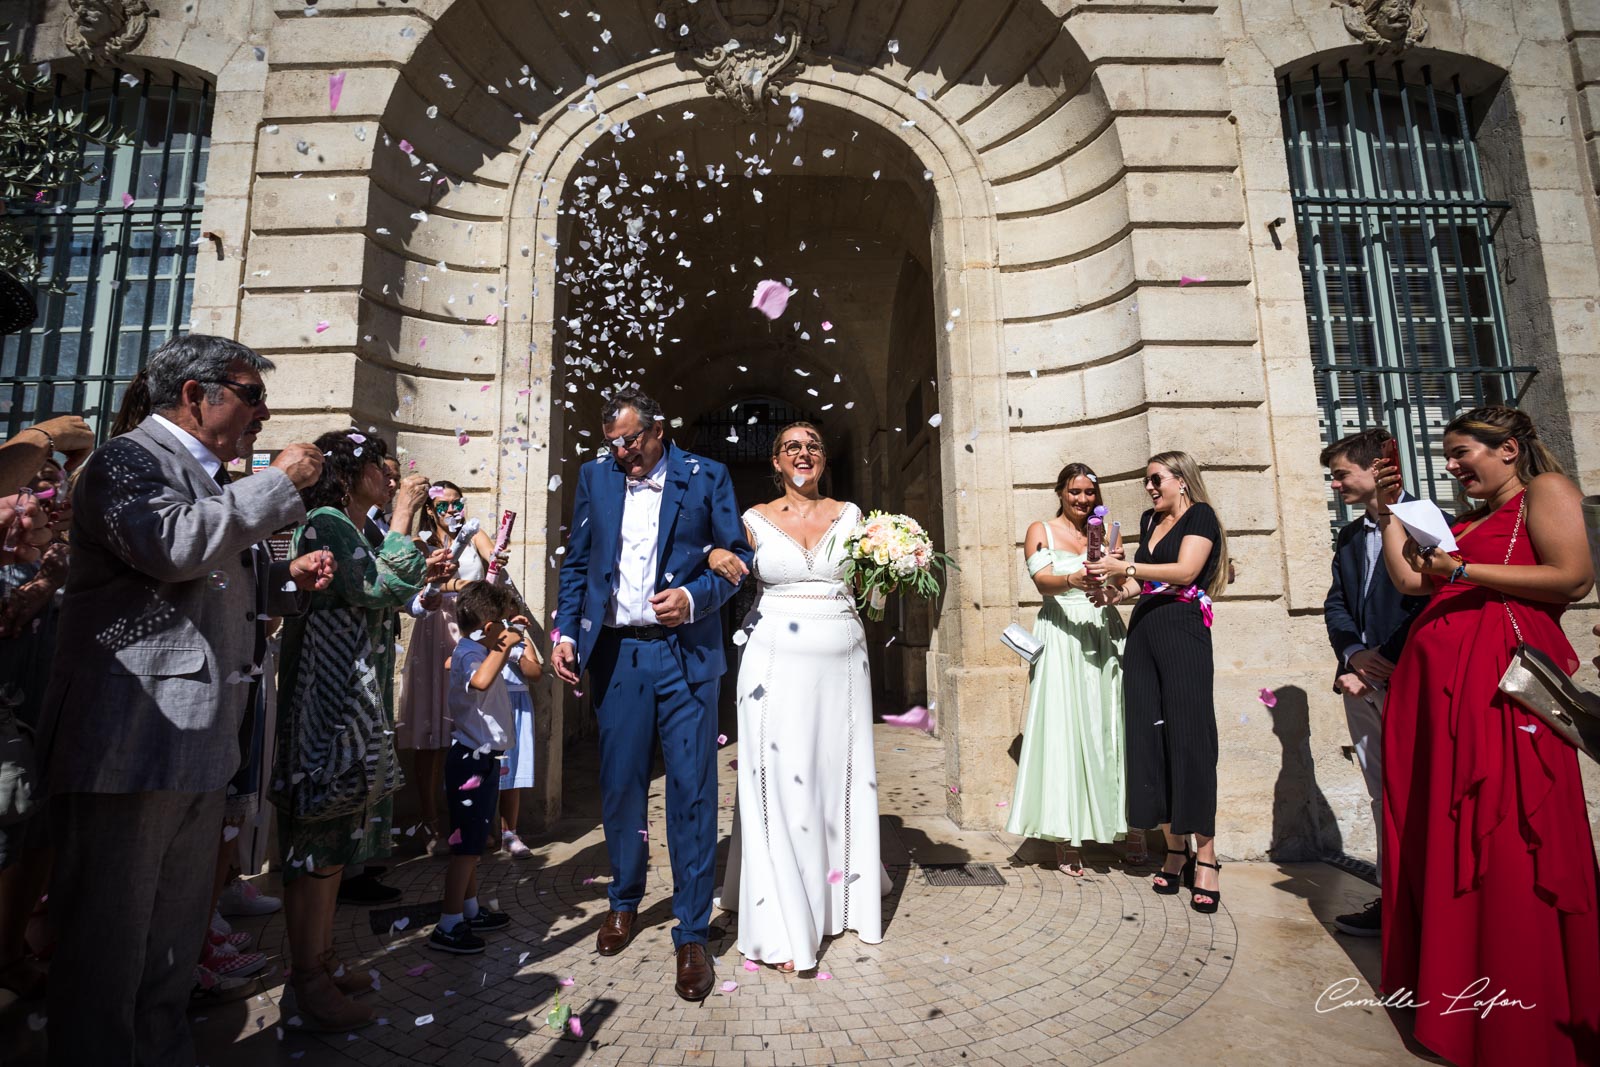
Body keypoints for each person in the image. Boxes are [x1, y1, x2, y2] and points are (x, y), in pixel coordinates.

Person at [34, 335, 333, 1065]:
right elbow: (170, 546)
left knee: (170, 955)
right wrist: (274, 486)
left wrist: (287, 582)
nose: (264, 414)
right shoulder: (125, 460)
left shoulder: (208, 476)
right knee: (107, 955)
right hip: (130, 744)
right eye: (251, 394)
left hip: (197, 744)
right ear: (197, 394)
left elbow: (208, 584)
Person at [1373, 406, 1599, 1067]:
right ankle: (1463, 1005)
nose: (1450, 465)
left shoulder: (1545, 493)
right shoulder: (1467, 524)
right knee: (1456, 847)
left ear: (1507, 448)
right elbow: (1411, 580)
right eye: (1445, 456)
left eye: (1460, 451)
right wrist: (1391, 512)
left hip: (1506, 705)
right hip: (1448, 715)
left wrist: (1463, 572)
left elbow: (1575, 576)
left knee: (1509, 846)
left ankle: (1523, 1017)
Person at [551, 385, 750, 1002]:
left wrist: (693, 598)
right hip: (616, 653)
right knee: (621, 785)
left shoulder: (706, 474)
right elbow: (579, 564)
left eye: (630, 440)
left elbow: (737, 557)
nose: (621, 452)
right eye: (612, 442)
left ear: (659, 429)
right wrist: (564, 630)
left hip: (687, 654)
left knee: (692, 790)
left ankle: (692, 932)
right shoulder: (596, 477)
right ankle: (624, 900)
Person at [272, 429, 447, 1031]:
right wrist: (402, 517)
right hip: (324, 703)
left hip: (349, 700)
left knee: (334, 837)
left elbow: (393, 584)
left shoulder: (353, 527)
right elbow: (381, 586)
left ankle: (321, 959)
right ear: (352, 473)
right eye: (380, 466)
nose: (391, 477)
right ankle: (307, 981)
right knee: (315, 840)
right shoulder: (326, 521)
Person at [712, 420, 887, 973]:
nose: (803, 452)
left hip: (844, 663)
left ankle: (845, 897)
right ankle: (783, 920)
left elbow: (872, 593)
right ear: (776, 462)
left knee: (838, 776)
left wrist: (898, 566)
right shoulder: (752, 520)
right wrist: (713, 556)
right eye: (792, 446)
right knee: (780, 781)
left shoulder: (854, 516)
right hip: (773, 662)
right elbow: (721, 564)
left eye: (812, 445)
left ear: (824, 457)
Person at [1086, 450, 1230, 914]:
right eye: (1147, 481)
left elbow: (1185, 572)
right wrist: (1111, 594)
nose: (1149, 488)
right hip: (1144, 631)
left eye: (1156, 479)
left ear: (1181, 480)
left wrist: (1125, 569)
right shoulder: (1149, 521)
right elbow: (1142, 586)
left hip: (1185, 629)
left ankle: (1206, 857)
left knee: (1190, 741)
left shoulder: (1201, 517)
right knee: (1150, 740)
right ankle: (1173, 850)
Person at [1320, 428, 1427, 939]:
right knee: (1380, 792)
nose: (1336, 484)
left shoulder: (1427, 522)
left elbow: (1430, 601)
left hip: (1409, 678)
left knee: (1418, 792)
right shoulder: (1346, 536)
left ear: (1373, 470)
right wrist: (1354, 655)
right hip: (1358, 682)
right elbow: (1336, 602)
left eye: (1341, 474)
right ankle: (1393, 900)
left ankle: (1427, 905)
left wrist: (1384, 658)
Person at [1005, 462, 1131, 875]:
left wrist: (1115, 573)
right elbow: (1042, 581)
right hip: (1061, 633)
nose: (1081, 500)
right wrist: (1074, 580)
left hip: (1103, 628)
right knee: (1064, 728)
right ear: (1060, 492)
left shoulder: (1108, 533)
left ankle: (1121, 826)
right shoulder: (1039, 529)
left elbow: (1119, 587)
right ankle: (1066, 835)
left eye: (1089, 493)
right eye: (1074, 492)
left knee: (1110, 725)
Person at [426, 581, 537, 954]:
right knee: (467, 851)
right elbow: (481, 680)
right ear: (489, 628)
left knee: (470, 844)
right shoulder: (470, 653)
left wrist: (508, 639)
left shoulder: (477, 648)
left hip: (483, 761)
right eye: (501, 623)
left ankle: (469, 910)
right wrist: (507, 642)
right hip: (469, 762)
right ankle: (448, 923)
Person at [0, 458, 69, 1001]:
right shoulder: (10, 560)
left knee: (39, 840)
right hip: (8, 726)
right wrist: (47, 576)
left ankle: (11, 952)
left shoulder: (61, 554)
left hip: (49, 720)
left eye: (52, 483)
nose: (44, 495)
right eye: (30, 485)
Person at [396, 480, 496, 855]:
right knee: (430, 739)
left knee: (468, 734)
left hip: (467, 635)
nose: (452, 511)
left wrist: (496, 558)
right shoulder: (421, 542)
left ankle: (467, 822)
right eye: (444, 506)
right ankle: (429, 823)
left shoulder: (473, 535)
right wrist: (463, 583)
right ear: (431, 511)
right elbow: (423, 582)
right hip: (434, 634)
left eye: (458, 503)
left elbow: (494, 559)